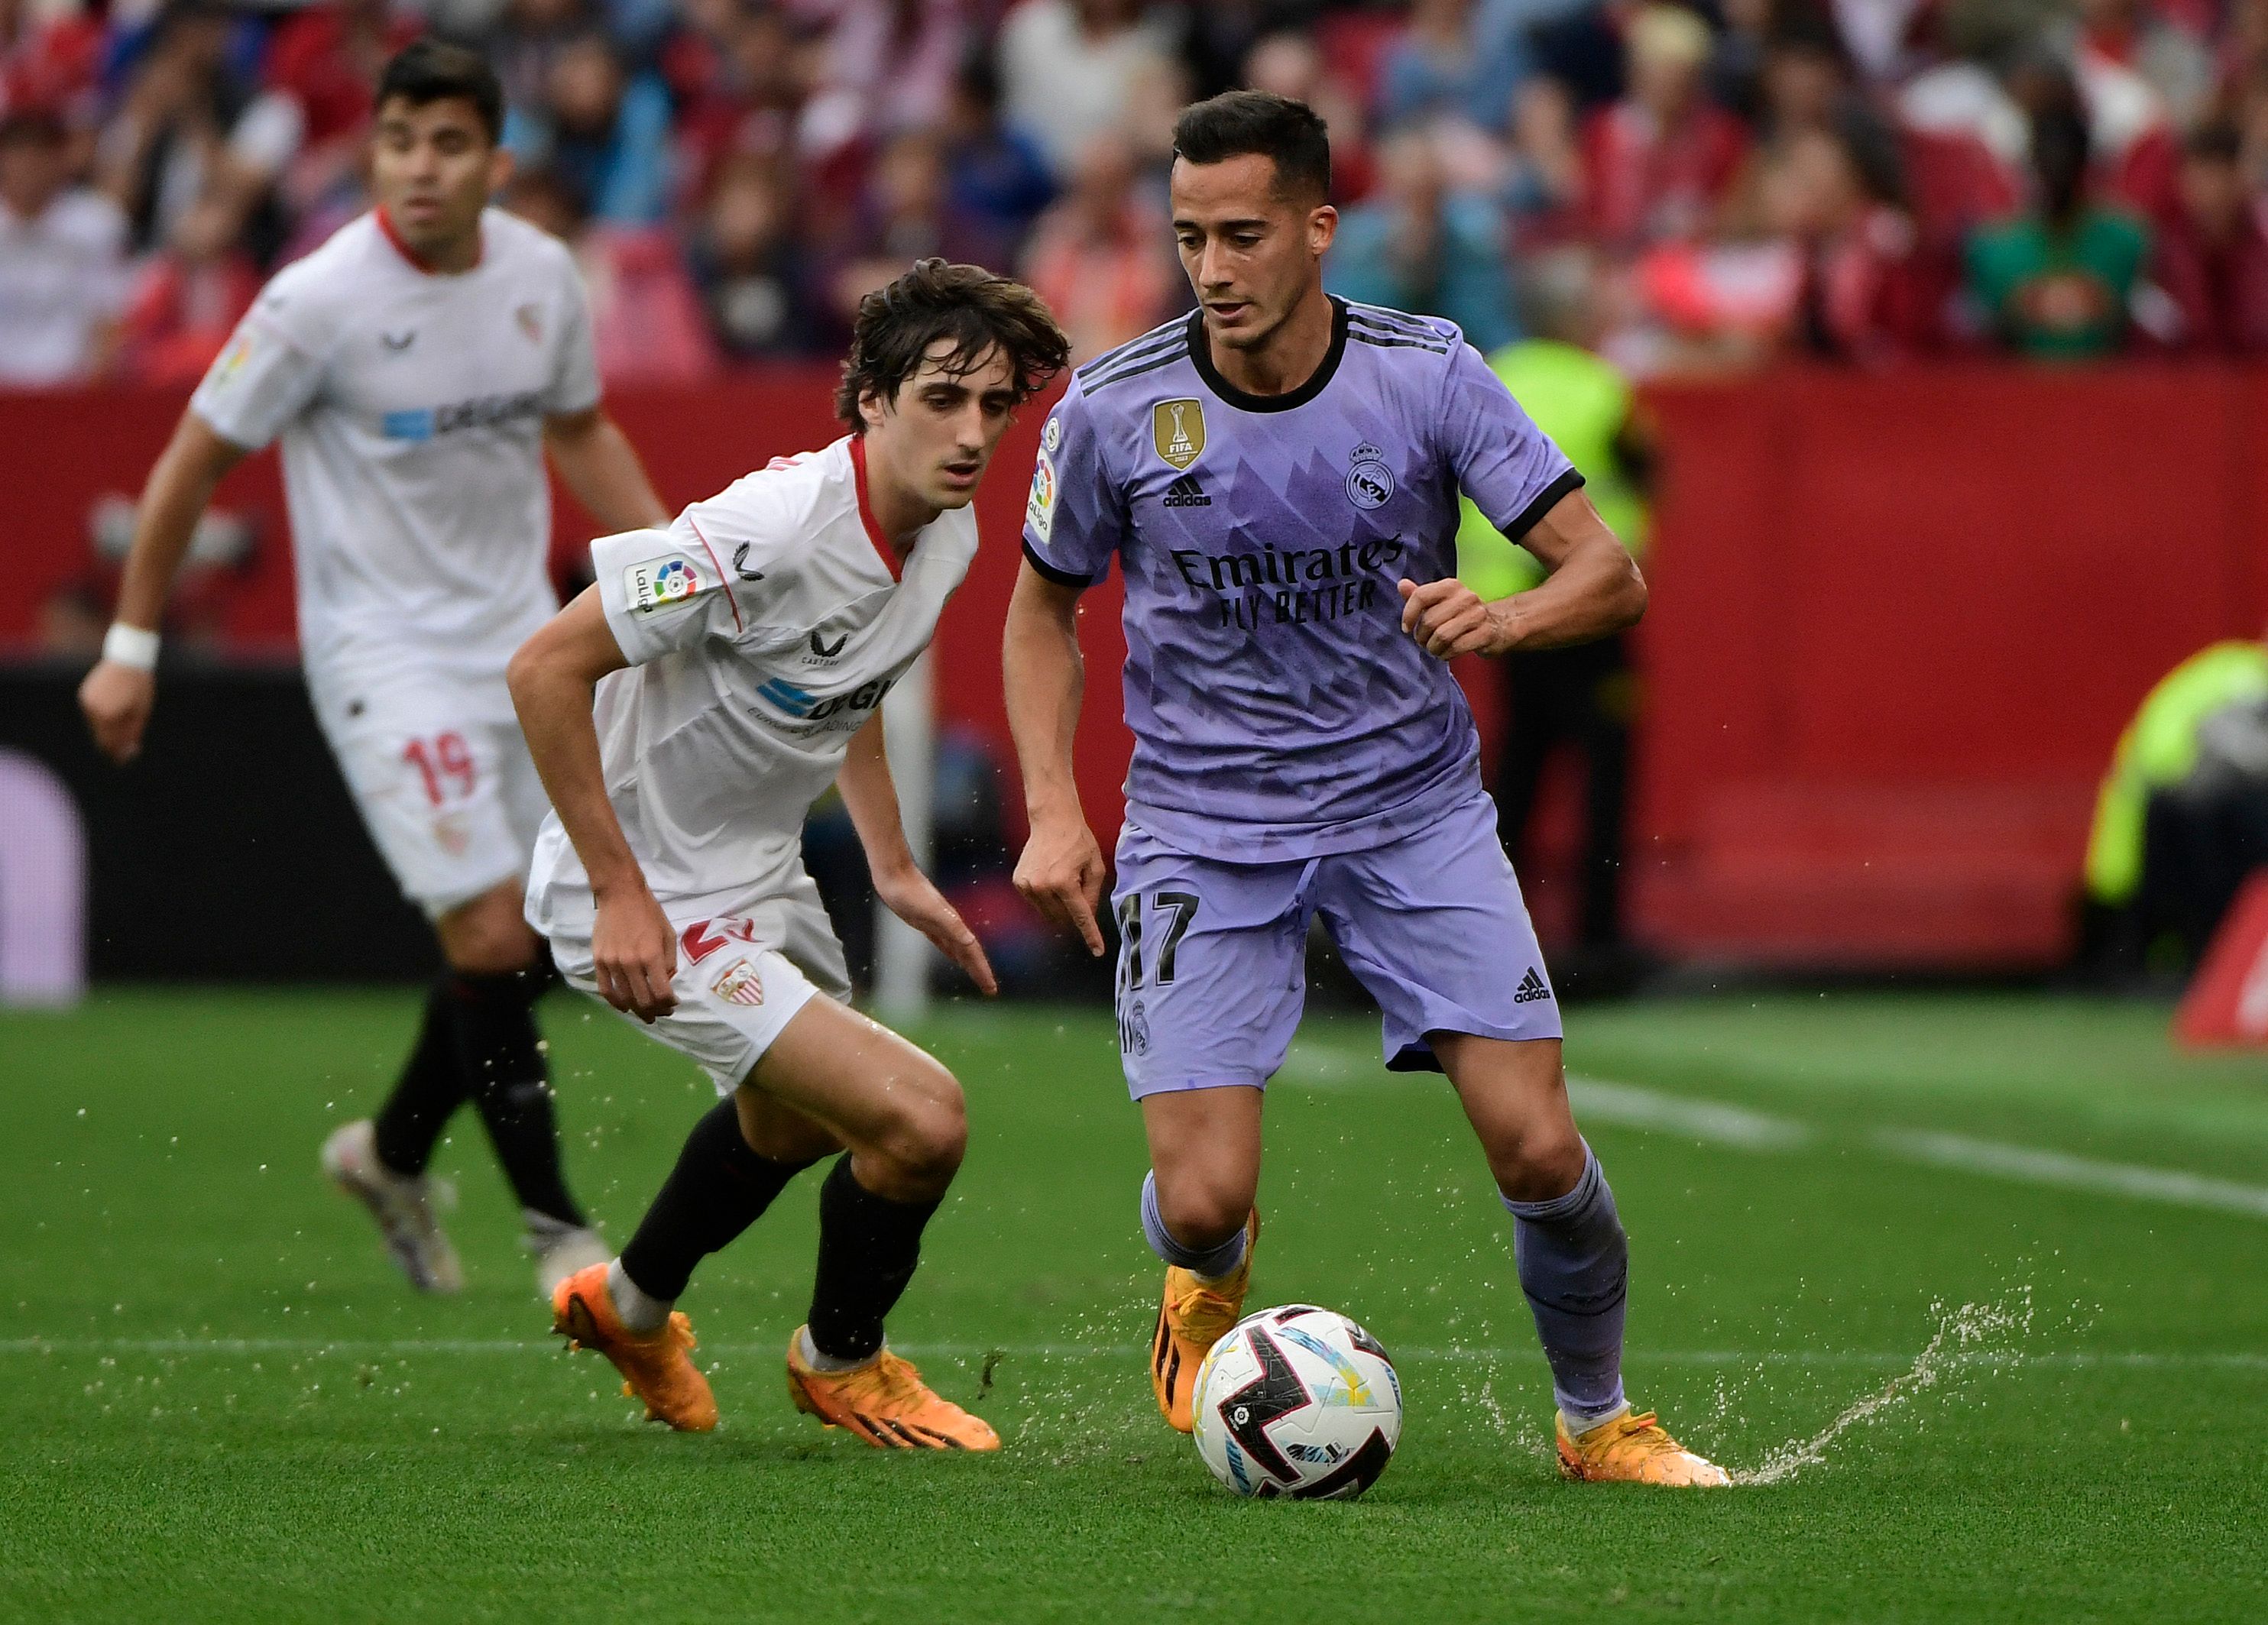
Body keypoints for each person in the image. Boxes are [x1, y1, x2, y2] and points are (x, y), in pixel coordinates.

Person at [1003, 90, 1727, 1487]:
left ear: (1322, 229)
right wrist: (1050, 806)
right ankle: (1201, 1274)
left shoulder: (1429, 373)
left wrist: (1506, 620)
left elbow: (1609, 574)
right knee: (1204, 1198)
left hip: (1414, 812)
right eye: (1191, 237)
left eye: (1245, 236)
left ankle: (1599, 1421)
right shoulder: (1113, 406)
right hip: (1204, 831)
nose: (1213, 270)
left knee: (1538, 1148)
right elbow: (1042, 612)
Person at [76, 42, 673, 1300]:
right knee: (495, 926)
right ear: (373, 153)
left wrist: (675, 583)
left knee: (534, 940)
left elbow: (581, 432)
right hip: (381, 657)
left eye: (449, 144)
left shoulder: (540, 277)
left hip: (519, 646)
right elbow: (191, 461)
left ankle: (391, 1152)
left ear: (495, 163)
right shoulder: (317, 301)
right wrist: (130, 646)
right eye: (400, 141)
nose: (420, 167)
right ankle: (561, 1236)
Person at [510, 258, 1068, 1448]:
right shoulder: (757, 533)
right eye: (941, 399)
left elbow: (846, 684)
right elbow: (543, 670)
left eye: (996, 406)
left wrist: (893, 862)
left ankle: (627, 1306)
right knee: (921, 1121)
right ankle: (841, 1362)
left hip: (757, 878)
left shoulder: (949, 529)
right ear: (869, 397)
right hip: (644, 888)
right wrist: (619, 893)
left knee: (789, 1127)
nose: (972, 434)